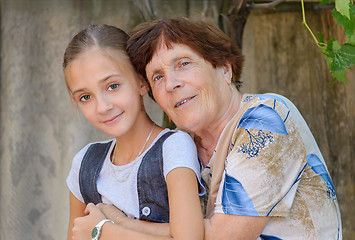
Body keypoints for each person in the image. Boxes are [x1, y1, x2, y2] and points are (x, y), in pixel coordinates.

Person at [79, 17, 342, 239]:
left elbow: (221, 235)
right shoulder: (181, 147)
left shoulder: (266, 119)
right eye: (157, 77)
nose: (171, 84)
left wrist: (112, 226)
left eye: (183, 63)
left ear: (225, 70)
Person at [63, 24, 205, 240]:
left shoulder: (173, 147)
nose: (102, 106)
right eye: (85, 97)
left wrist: (102, 230)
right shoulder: (84, 164)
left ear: (141, 81)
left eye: (112, 86)